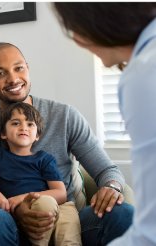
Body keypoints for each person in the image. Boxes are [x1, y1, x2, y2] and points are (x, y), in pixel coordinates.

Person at [0, 42, 134, 245]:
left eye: (18, 68)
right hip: (7, 222)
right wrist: (14, 208)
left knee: (123, 213)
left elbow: (107, 170)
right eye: (0, 73)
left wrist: (112, 187)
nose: (13, 79)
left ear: (27, 68)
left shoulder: (65, 116)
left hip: (63, 218)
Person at [53, 3, 156, 245]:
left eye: (72, 28)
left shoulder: (143, 75)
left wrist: (111, 186)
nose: (77, 41)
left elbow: (149, 233)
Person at [0, 102, 81, 245]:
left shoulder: (44, 159)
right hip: (10, 219)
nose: (23, 127)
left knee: (47, 204)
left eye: (30, 124)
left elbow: (60, 193)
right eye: (16, 123)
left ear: (37, 136)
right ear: (3, 134)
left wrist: (22, 198)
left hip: (41, 211)